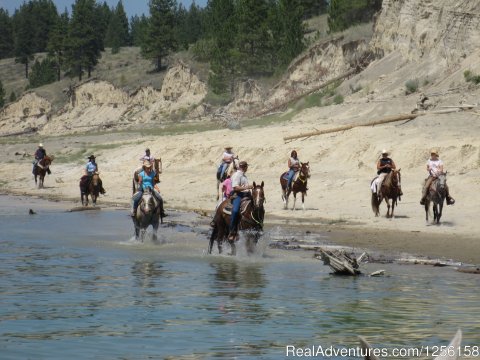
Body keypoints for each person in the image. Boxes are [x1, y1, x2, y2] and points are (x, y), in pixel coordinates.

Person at [228, 161, 253, 241]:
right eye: (247, 167)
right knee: (235, 211)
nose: (247, 168)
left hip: (246, 194)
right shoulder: (237, 175)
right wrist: (248, 187)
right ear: (244, 167)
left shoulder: (244, 176)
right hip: (238, 195)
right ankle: (232, 231)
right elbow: (235, 188)